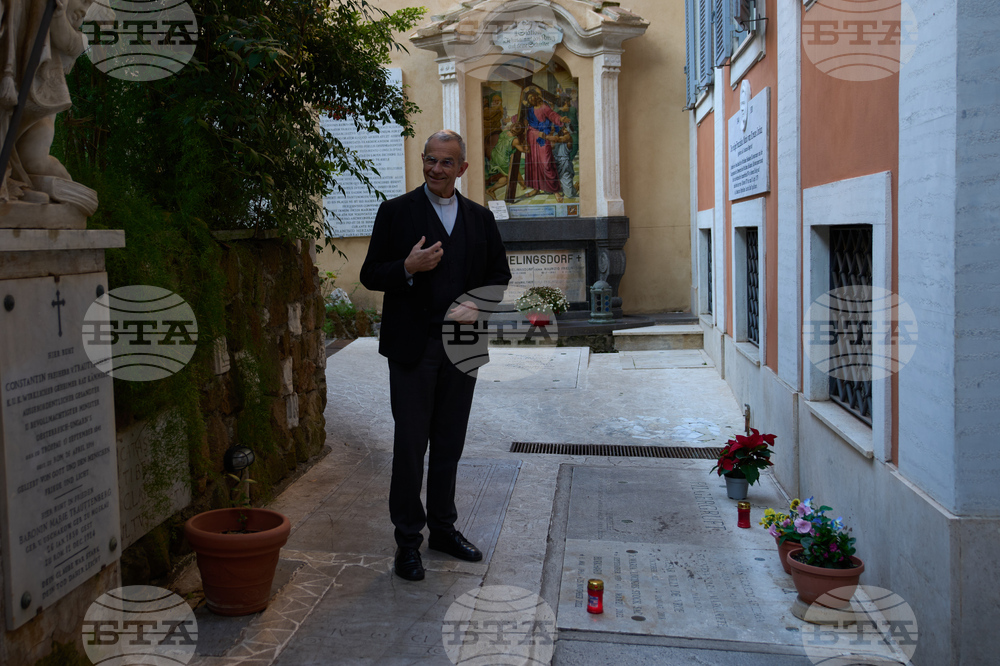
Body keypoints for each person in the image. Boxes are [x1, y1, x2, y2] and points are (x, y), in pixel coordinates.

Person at [360, 130, 511, 581]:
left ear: (462, 169)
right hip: (412, 347)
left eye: (446, 162)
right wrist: (406, 268)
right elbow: (370, 273)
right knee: (410, 446)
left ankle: (443, 529)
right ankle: (408, 541)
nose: (435, 169)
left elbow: (499, 277)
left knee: (449, 443)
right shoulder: (396, 212)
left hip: (462, 349)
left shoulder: (480, 219)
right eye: (430, 160)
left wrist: (477, 304)